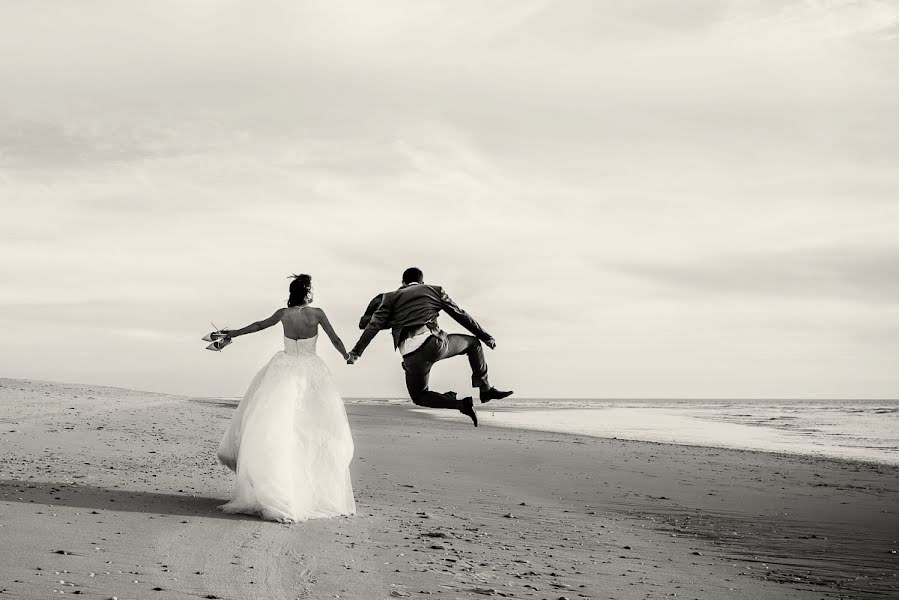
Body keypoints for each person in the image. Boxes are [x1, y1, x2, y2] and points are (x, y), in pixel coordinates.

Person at [213, 274, 356, 523]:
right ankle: (306, 491)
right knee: (312, 431)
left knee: (276, 429)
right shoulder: (317, 313)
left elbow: (258, 325)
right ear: (308, 292)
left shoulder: (283, 314)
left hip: (283, 370)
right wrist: (347, 355)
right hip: (312, 371)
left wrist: (233, 333)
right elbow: (334, 338)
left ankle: (278, 488)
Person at [347, 267, 513, 426]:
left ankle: (461, 405)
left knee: (419, 396)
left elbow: (372, 326)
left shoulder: (389, 297)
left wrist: (356, 352)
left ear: (403, 282)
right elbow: (460, 315)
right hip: (434, 344)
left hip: (410, 356)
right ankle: (484, 389)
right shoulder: (434, 290)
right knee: (474, 344)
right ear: (422, 281)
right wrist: (486, 337)